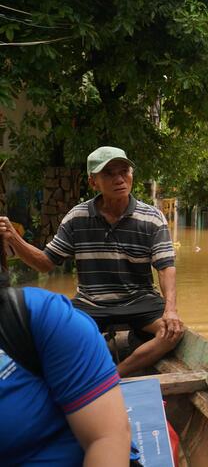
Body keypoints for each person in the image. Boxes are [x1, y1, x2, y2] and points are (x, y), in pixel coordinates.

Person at [0, 146, 184, 377]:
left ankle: (113, 375)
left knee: (172, 333)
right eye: (108, 173)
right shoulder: (78, 217)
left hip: (140, 300)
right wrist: (14, 239)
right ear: (93, 182)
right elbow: (45, 263)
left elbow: (165, 267)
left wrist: (171, 310)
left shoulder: (151, 217)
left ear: (131, 175)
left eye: (124, 171)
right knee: (46, 336)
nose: (119, 179)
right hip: (91, 303)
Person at [0, 279, 130, 465]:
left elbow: (44, 263)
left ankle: (113, 374)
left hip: (116, 307)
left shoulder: (34, 314)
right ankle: (114, 374)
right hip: (96, 307)